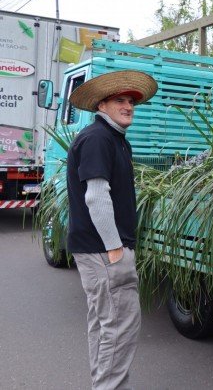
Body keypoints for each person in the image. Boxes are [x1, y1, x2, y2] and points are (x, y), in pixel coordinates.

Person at [66, 70, 158, 389]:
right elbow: (96, 195)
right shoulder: (97, 139)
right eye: (120, 100)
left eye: (131, 101)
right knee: (119, 330)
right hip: (103, 252)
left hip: (98, 252)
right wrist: (115, 247)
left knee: (106, 328)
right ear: (101, 105)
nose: (128, 105)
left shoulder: (114, 139)